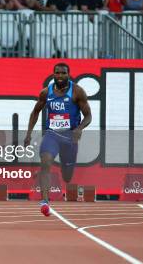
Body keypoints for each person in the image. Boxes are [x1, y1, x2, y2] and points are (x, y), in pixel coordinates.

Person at [24, 63, 92, 217]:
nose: (60, 76)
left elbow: (88, 116)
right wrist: (28, 134)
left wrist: (79, 128)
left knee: (67, 176)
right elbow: (35, 112)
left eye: (63, 73)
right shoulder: (46, 92)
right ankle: (45, 202)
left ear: (69, 74)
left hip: (70, 137)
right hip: (52, 135)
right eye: (57, 73)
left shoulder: (77, 92)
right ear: (53, 74)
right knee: (46, 161)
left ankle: (65, 165)